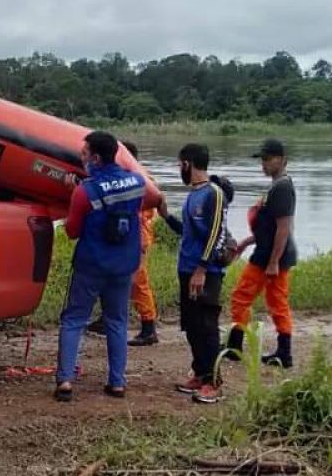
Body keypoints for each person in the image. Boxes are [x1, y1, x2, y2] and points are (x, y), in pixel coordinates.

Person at [54, 131, 147, 403]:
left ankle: (65, 380)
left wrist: (74, 193)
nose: (82, 159)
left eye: (84, 155)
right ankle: (117, 382)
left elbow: (72, 231)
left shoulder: (85, 191)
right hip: (123, 265)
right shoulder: (138, 182)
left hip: (91, 264)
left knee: (73, 320)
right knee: (117, 321)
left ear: (95, 157)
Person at [157, 143, 234, 404]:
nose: (179, 169)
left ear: (188, 163)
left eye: (180, 164)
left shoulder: (214, 193)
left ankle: (214, 381)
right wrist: (166, 215)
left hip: (206, 272)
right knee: (191, 326)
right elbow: (188, 232)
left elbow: (216, 235)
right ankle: (200, 373)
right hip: (187, 269)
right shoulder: (193, 194)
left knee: (206, 325)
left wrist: (202, 268)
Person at [224, 138, 297, 368]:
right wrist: (247, 241)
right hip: (270, 253)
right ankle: (283, 353)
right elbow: (270, 227)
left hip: (270, 257)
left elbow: (284, 228)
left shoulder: (282, 187)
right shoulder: (277, 185)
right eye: (262, 160)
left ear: (282, 160)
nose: (263, 164)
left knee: (241, 298)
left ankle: (236, 348)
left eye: (267, 160)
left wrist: (274, 261)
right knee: (276, 302)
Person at [86, 141, 160, 347]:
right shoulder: (130, 179)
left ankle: (149, 327)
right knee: (113, 278)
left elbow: (142, 211)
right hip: (126, 237)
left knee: (138, 283)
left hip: (137, 238)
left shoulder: (142, 180)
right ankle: (107, 318)